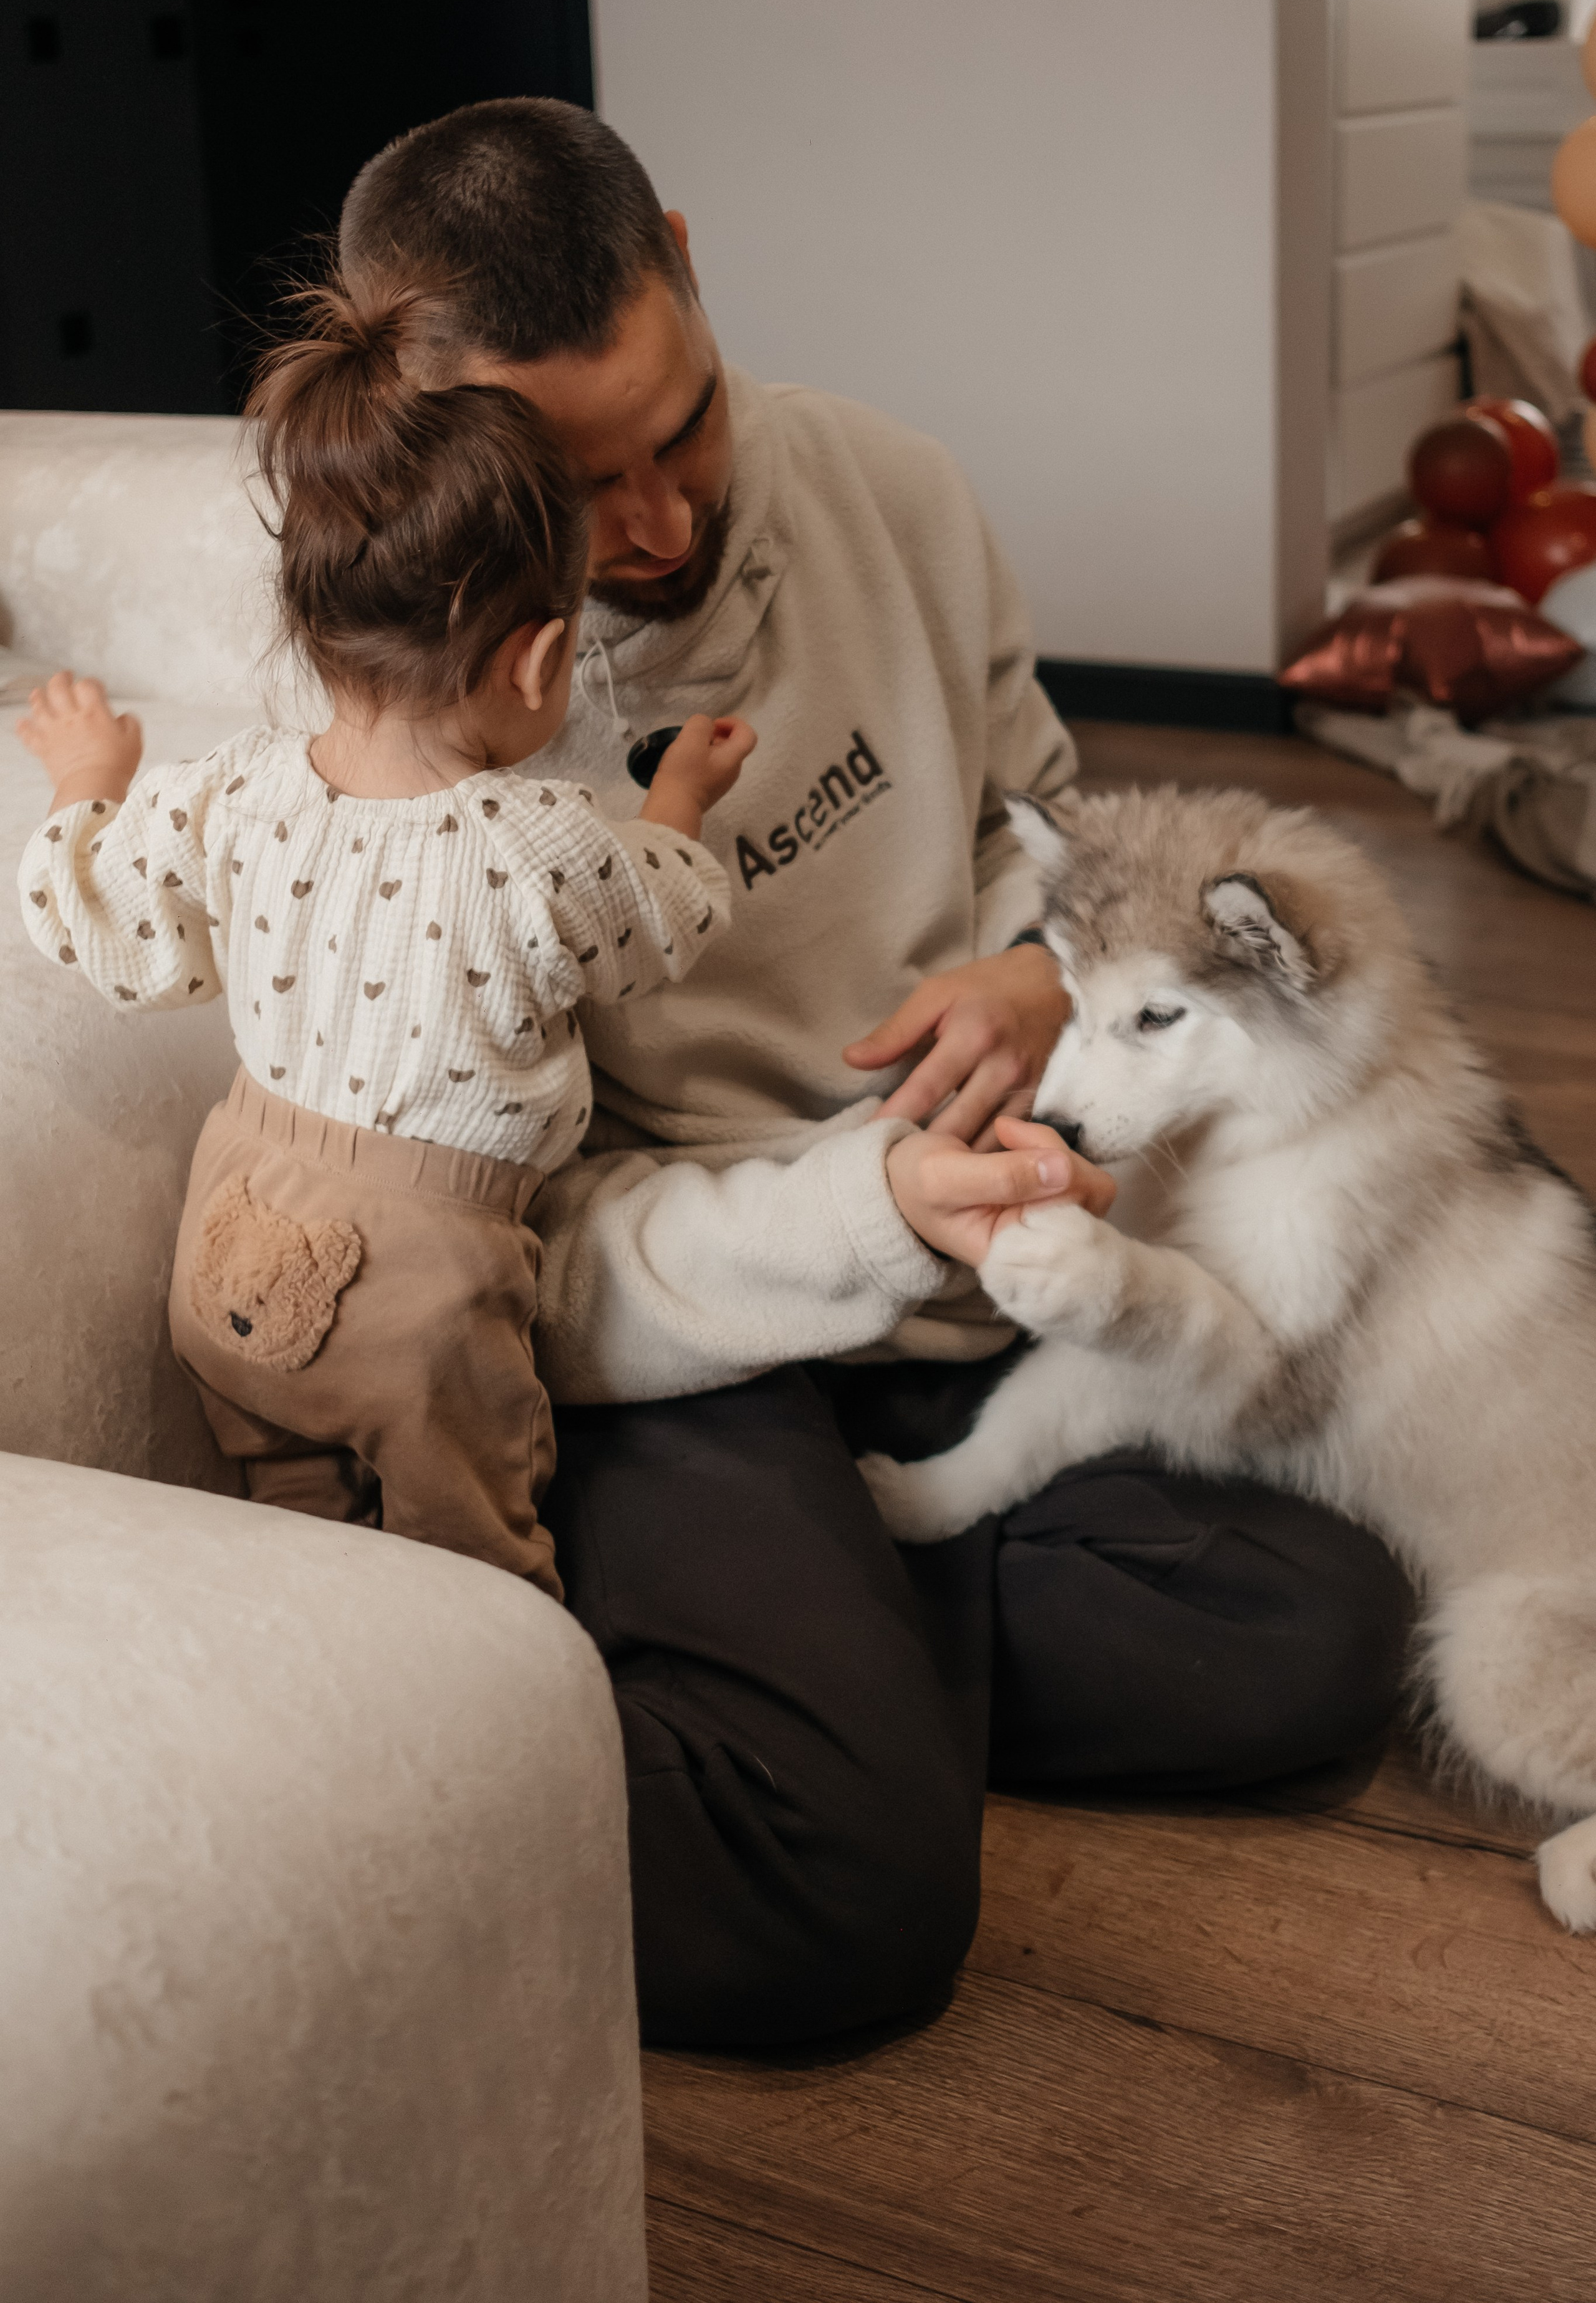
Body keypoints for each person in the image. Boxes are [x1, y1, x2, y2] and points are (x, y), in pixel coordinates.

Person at [284, 101, 1420, 2050]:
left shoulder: (891, 486)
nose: (657, 524)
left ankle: (807, 1684)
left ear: (693, 267)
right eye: (576, 484)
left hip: (961, 1262)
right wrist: (863, 1212)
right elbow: (520, 1250)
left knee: (1324, 1632)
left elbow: (1033, 807)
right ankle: (752, 1718)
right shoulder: (419, 736)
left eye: (688, 426)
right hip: (672, 1334)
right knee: (845, 1923)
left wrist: (1036, 973)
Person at [16, 271, 752, 1595]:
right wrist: (681, 797)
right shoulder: (541, 843)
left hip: (227, 1242)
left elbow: (94, 920)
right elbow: (667, 918)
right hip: (425, 1294)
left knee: (295, 1523)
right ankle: (500, 1712)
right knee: (474, 1562)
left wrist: (85, 780)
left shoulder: (230, 790)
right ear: (536, 665)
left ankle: (316, 1646)